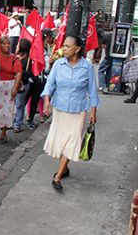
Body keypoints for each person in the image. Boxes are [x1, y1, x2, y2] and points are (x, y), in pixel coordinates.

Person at [42, 36, 100, 190]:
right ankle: (65, 168)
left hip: (78, 110)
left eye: (68, 46)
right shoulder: (58, 65)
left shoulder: (87, 67)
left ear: (77, 49)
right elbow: (50, 85)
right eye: (64, 46)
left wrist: (93, 112)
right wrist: (47, 101)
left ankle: (58, 177)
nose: (64, 48)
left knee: (71, 141)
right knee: (61, 143)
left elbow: (93, 91)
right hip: (60, 109)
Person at [0, 37, 22, 143]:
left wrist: (15, 87)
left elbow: (18, 73)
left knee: (7, 109)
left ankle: (3, 133)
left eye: (8, 43)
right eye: (4, 43)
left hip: (9, 86)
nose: (7, 46)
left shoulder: (14, 58)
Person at [12, 39, 33, 133]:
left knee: (19, 105)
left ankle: (17, 124)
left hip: (22, 84)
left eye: (18, 45)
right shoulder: (14, 57)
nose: (16, 46)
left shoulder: (28, 59)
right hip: (12, 83)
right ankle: (10, 121)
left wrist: (19, 71)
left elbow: (30, 73)